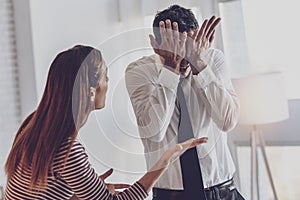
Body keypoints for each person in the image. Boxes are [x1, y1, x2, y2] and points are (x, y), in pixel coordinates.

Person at [4, 45, 208, 200]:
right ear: (90, 91)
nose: (108, 83)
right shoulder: (67, 149)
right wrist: (164, 161)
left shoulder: (33, 124)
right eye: (105, 77)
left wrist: (81, 193)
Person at [125, 5, 244, 200]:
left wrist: (201, 66)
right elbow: (154, 131)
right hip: (171, 196)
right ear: (154, 43)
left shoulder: (212, 60)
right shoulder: (139, 71)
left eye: (187, 46)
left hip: (223, 193)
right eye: (174, 47)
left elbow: (227, 121)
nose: (182, 57)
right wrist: (170, 70)